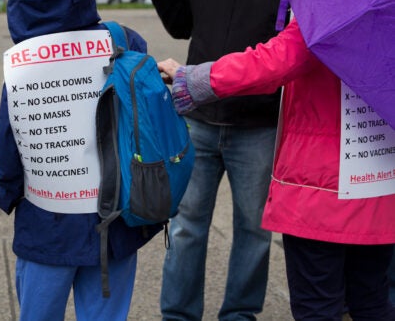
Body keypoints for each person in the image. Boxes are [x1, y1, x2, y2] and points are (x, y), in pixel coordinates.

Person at [156, 16, 395, 320]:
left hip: (321, 190)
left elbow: (273, 62)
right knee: (372, 298)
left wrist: (194, 79)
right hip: (380, 182)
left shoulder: (332, 5)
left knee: (318, 307)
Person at [0, 0, 162, 320]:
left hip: (47, 222)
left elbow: (8, 141)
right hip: (118, 216)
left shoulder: (23, 64)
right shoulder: (124, 41)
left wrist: (8, 193)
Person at [146, 0, 282, 319]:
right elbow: (182, 25)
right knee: (186, 226)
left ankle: (240, 313)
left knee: (254, 229)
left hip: (257, 127)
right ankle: (179, 314)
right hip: (197, 119)